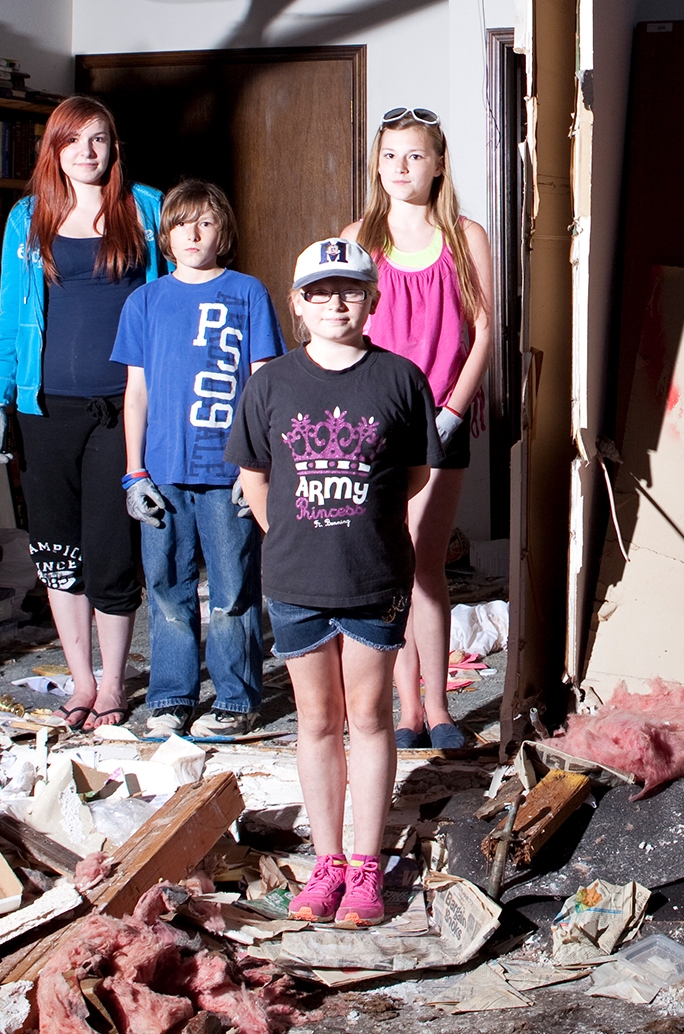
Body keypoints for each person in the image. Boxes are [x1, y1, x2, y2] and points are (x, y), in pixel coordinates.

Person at [230, 238, 442, 927]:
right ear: (298, 305)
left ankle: (367, 865)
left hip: (374, 575)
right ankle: (327, 864)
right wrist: (295, 541)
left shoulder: (401, 380)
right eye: (319, 291)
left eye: (350, 289)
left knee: (371, 715)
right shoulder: (270, 384)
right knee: (318, 720)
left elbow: (411, 476)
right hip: (295, 578)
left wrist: (356, 529)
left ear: (371, 300)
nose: (335, 303)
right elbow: (256, 480)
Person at [0, 95, 167, 732]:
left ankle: (114, 685)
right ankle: (82, 682)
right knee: (58, 550)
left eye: (99, 140)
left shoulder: (147, 208)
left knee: (113, 550)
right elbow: (10, 317)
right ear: (54, 150)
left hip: (126, 410)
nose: (87, 153)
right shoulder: (27, 218)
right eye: (74, 141)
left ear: (114, 147)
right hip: (45, 410)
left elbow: (174, 302)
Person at [112, 180, 286, 740]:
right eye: (182, 222)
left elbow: (263, 385)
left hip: (227, 470)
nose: (192, 233)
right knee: (166, 588)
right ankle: (171, 696)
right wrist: (133, 470)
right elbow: (134, 393)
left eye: (206, 222)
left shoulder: (247, 293)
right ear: (165, 233)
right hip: (161, 472)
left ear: (223, 232)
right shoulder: (144, 300)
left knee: (234, 591)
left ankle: (236, 699)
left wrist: (255, 465)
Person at [345, 106, 491, 752]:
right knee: (390, 566)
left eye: (414, 156)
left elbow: (486, 332)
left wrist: (453, 411)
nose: (401, 167)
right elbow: (341, 331)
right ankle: (404, 708)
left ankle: (438, 708)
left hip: (444, 417)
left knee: (425, 564)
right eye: (390, 156)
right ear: (377, 165)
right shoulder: (358, 237)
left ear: (437, 165)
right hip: (377, 424)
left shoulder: (465, 236)